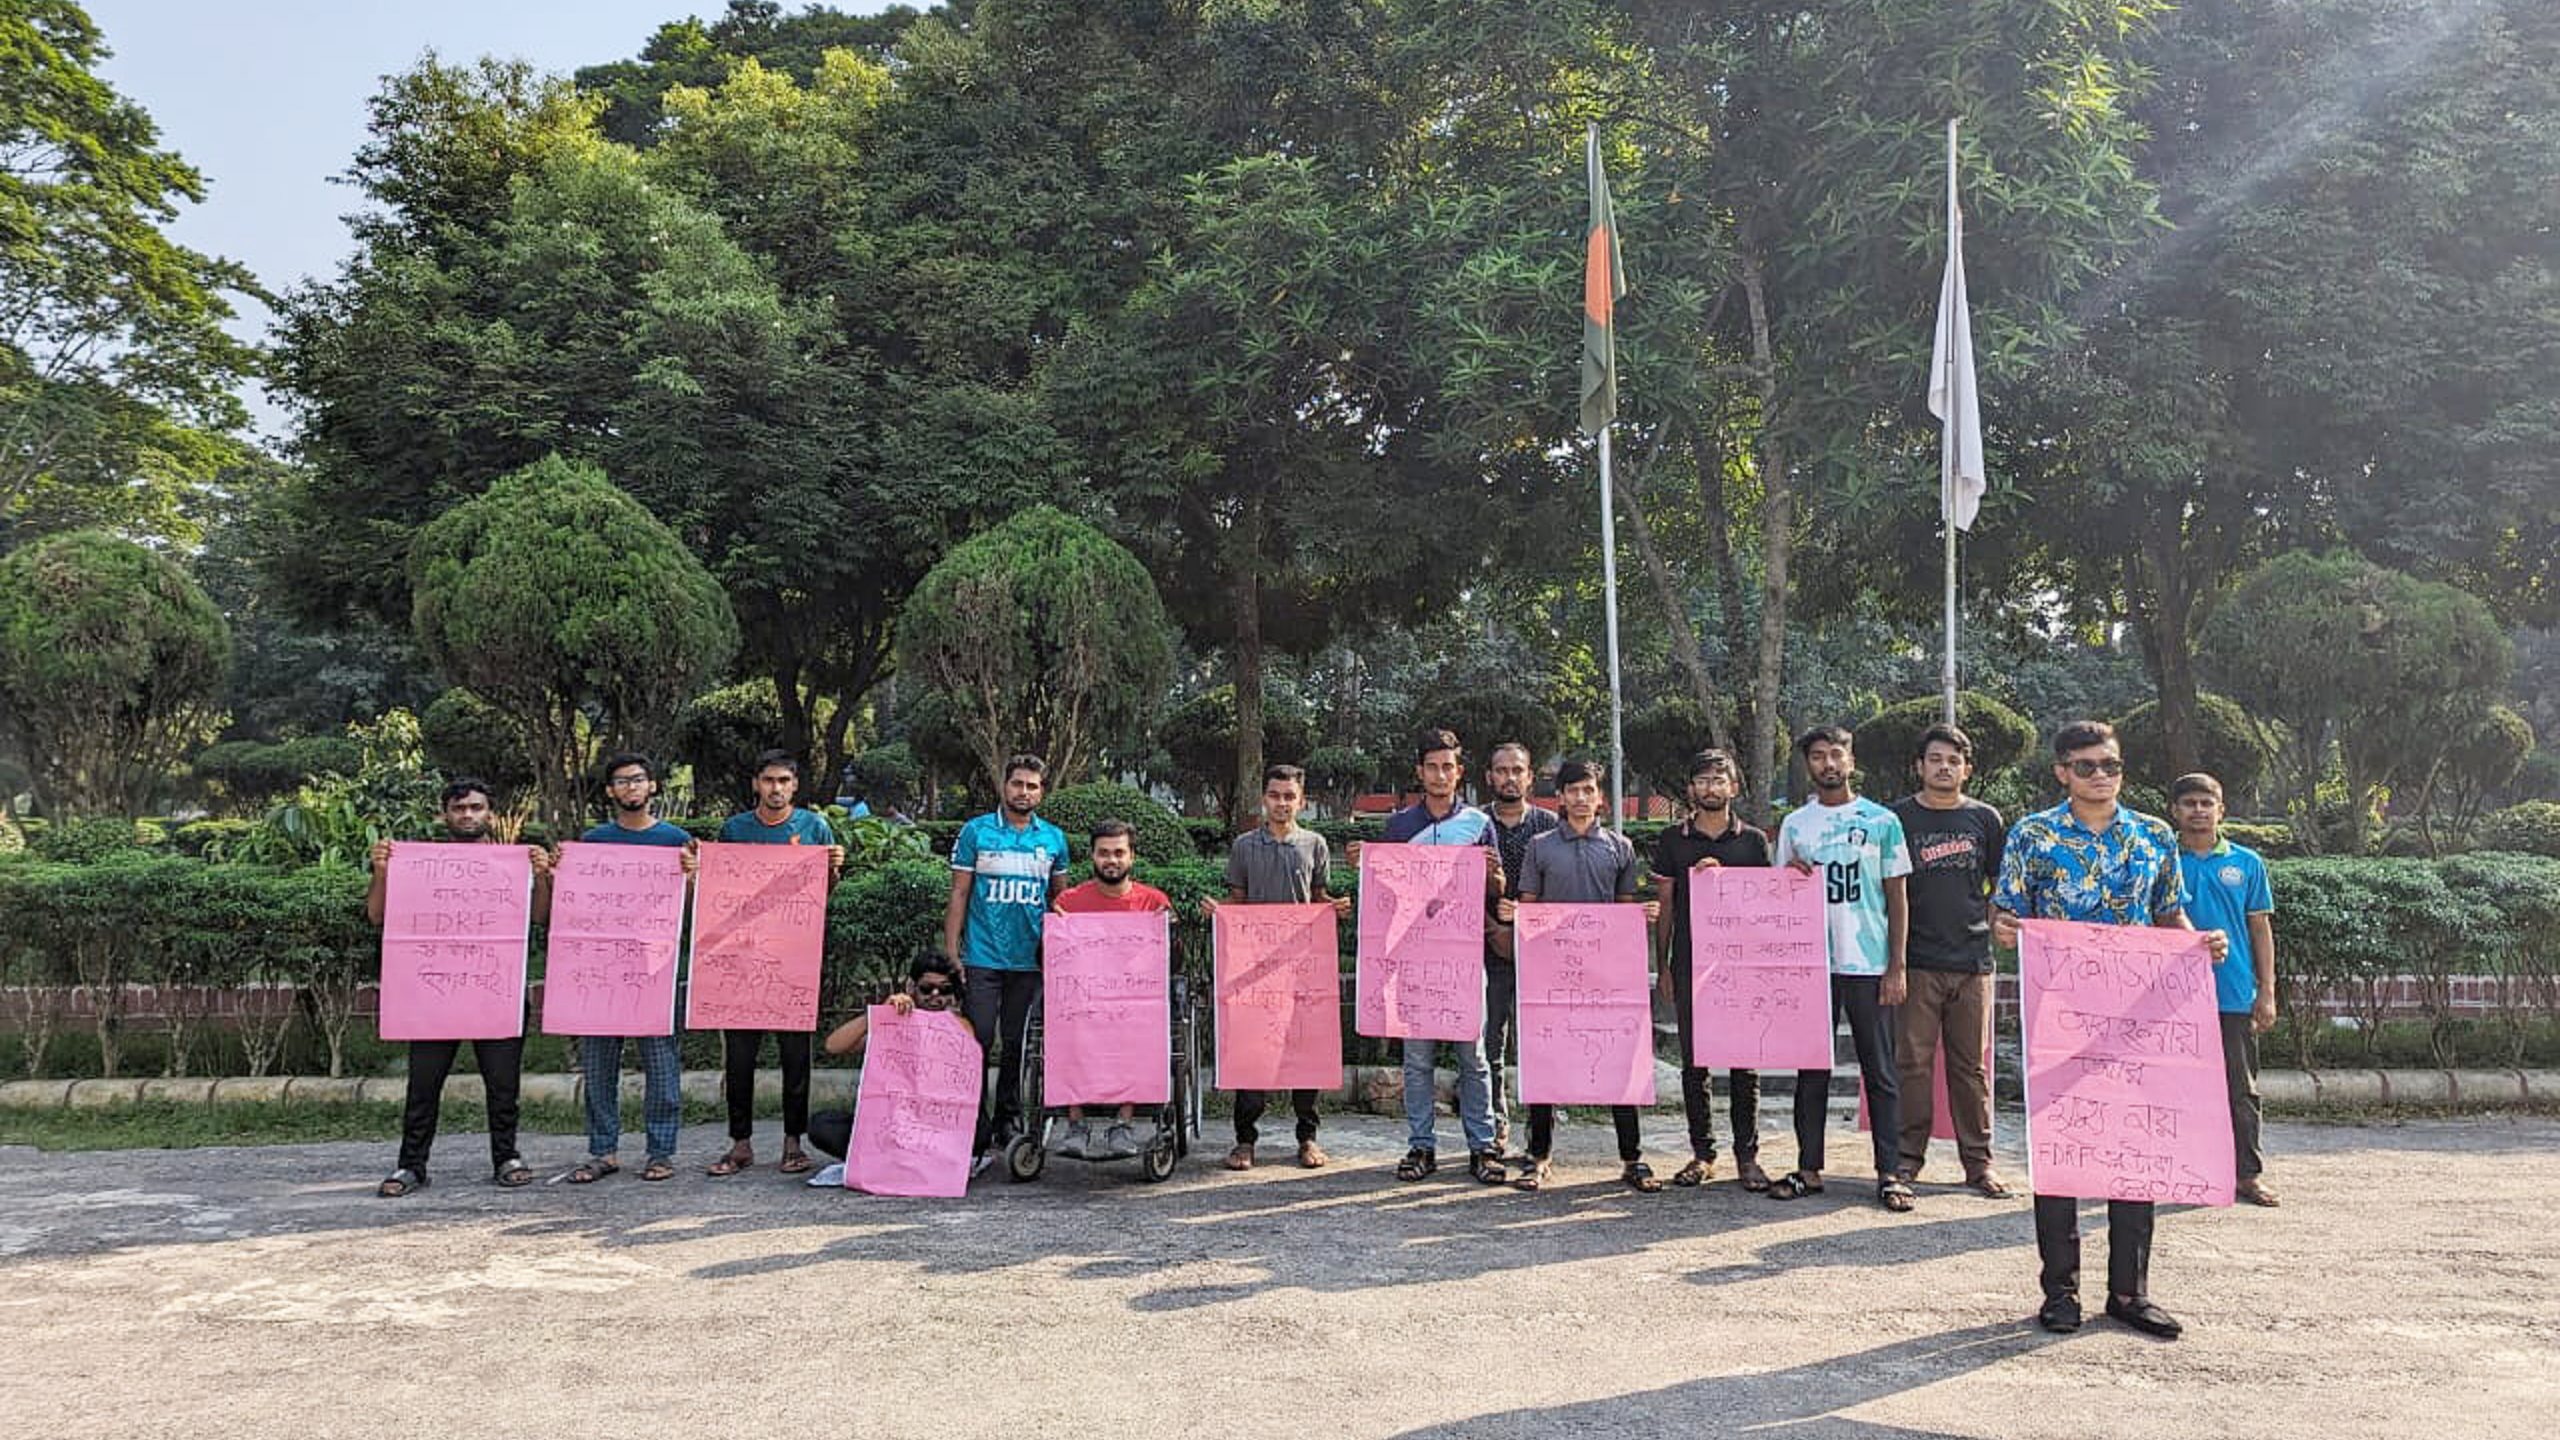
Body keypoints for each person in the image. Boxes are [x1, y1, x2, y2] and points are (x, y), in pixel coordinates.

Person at [1994, 720, 2229, 1340]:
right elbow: (2006, 913)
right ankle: (2061, 1292)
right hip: (2061, 1018)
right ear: (2062, 771)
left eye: (2112, 765)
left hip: (2140, 1019)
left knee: (2135, 1151)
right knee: (2064, 1155)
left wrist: (2199, 942)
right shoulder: (2032, 835)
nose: (2102, 775)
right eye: (2088, 765)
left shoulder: (2153, 834)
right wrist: (2008, 929)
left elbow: (2169, 912)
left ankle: (2129, 1291)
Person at [367, 777, 555, 1197]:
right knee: (423, 1085)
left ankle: (506, 1156)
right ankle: (411, 1165)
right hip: (433, 996)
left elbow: (540, 917)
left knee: (503, 1084)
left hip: (496, 992)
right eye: (458, 809)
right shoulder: (416, 864)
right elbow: (377, 916)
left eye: (475, 808)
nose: (467, 815)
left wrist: (542, 878)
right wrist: (381, 871)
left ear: (490, 814)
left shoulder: (514, 863)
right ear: (444, 815)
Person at [1351, 728, 1507, 1185]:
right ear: (1420, 772)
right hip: (1411, 959)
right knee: (1417, 1060)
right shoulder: (1399, 826)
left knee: (1473, 1056)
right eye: (1432, 767)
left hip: (1462, 959)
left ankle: (1482, 1147)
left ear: (1459, 773)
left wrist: (1494, 877)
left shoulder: (1479, 824)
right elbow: (1383, 893)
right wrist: (1365, 865)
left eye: (1448, 767)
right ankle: (1421, 1146)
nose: (1440, 775)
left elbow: (1496, 891)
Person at [1500, 759, 1664, 1192]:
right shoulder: (1540, 846)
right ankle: (1538, 1156)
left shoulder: (1619, 847)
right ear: (1560, 797)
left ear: (1599, 796)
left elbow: (1624, 910)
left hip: (1605, 975)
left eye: (1587, 790)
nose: (1579, 798)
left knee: (1618, 1061)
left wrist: (1641, 914)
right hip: (1550, 974)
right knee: (1544, 1062)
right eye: (1572, 791)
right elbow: (1529, 903)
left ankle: (1632, 1158)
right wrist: (1516, 914)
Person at [1773, 725, 1915, 1212]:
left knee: (1880, 1069)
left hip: (1869, 961)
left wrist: (1896, 965)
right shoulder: (1795, 825)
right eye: (1818, 756)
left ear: (1851, 761)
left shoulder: (1881, 821)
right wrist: (1792, 878)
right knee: (1811, 1069)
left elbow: (1897, 897)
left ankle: (1890, 1172)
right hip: (1813, 966)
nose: (1828, 764)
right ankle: (1809, 1168)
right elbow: (1779, 897)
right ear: (1808, 765)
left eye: (1837, 754)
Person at [1204, 763, 1354, 1171]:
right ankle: (1244, 1140)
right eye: (1275, 795)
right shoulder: (1244, 846)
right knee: (1250, 1051)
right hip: (1254, 968)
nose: (1282, 803)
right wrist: (1220, 911)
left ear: (1302, 801)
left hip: (1302, 966)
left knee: (1307, 1050)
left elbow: (1319, 897)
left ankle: (1307, 1138)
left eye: (1290, 797)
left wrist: (1335, 907)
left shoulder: (1315, 844)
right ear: (1263, 798)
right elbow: (1237, 898)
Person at [706, 749, 846, 1178]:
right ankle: (740, 1143)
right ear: (755, 784)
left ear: (795, 786)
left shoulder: (814, 827)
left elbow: (822, 894)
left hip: (793, 961)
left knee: (795, 1058)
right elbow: (720, 890)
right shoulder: (735, 829)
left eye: (784, 781)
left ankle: (792, 1143)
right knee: (741, 1059)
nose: (776, 789)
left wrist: (836, 870)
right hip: (742, 961)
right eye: (768, 780)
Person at [1888, 724, 2011, 1197]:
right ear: (1919, 766)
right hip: (1915, 959)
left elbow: (2000, 883)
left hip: (1972, 960)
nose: (1944, 767)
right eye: (1935, 758)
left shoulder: (1984, 818)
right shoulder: (1897, 818)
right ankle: (1905, 1160)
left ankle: (1978, 1164)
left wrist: (1995, 927)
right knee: (1912, 1062)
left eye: (1953, 760)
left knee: (1970, 1067)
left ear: (1967, 769)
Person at [564, 753, 699, 1186]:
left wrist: (693, 878)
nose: (631, 788)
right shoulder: (593, 842)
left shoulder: (676, 841)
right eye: (621, 781)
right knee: (599, 1063)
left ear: (653, 786)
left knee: (661, 1064)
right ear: (610, 791)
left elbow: (694, 911)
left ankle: (661, 1152)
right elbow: (578, 906)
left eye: (638, 779)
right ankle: (603, 1150)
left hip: (655, 969)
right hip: (601, 971)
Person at [1650, 748, 1773, 1190]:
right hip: (1689, 963)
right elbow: (1664, 906)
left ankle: (1747, 1156)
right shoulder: (1672, 840)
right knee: (1694, 1063)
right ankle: (1702, 1154)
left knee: (1745, 1063)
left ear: (1734, 788)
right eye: (1701, 781)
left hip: (1741, 967)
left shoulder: (1754, 842)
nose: (1710, 788)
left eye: (1719, 780)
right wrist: (1661, 964)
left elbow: (1766, 902)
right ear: (1690, 789)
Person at [944, 752, 1069, 1177]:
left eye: (1032, 786)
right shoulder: (976, 831)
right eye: (1018, 784)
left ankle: (1007, 1120)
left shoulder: (1053, 838)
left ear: (1042, 791)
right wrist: (951, 951)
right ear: (1004, 786)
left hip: (1029, 961)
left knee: (1017, 1044)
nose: (1024, 792)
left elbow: (1060, 902)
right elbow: (959, 894)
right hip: (982, 957)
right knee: (976, 1041)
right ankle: (971, 1121)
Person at [2170, 771, 2280, 1208]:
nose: (2198, 810)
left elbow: (2260, 928)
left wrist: (2267, 990)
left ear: (2221, 809)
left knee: (2240, 1088)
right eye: (2189, 803)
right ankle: (2178, 1169)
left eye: (2206, 803)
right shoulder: (2160, 860)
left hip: (2232, 991)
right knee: (2174, 1088)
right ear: (2174, 811)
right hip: (2170, 996)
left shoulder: (2247, 863)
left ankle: (2246, 1174)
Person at [1050, 820, 1172, 1161]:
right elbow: (1051, 961)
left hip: (1133, 1002)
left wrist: (1166, 932)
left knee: (1140, 1029)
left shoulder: (1153, 902)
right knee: (1067, 1026)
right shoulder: (1069, 902)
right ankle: (1076, 1124)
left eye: (1119, 853)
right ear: (1092, 856)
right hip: (1082, 1000)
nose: (1111, 860)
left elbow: (1170, 963)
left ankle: (1124, 1122)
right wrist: (1057, 930)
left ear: (1132, 857)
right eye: (1104, 853)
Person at [803, 951, 978, 1186]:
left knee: (981, 1131)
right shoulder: (893, 1020)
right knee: (820, 1125)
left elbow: (967, 1045)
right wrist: (878, 1015)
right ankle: (889, 1159)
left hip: (936, 1129)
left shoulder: (959, 1026)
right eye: (927, 988)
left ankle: (923, 1160)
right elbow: (834, 1046)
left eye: (945, 990)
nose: (936, 996)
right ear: (912, 986)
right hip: (889, 1129)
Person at [1481, 741, 1557, 1156]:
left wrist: (1525, 927)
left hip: (1540, 954)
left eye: (1518, 770)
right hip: (1486, 949)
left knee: (1538, 1045)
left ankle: (1539, 1139)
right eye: (1501, 770)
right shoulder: (1475, 825)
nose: (1510, 777)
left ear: (1531, 776)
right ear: (1489, 776)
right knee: (1489, 1043)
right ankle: (1496, 1127)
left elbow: (1560, 891)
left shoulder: (1550, 826)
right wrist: (1493, 928)